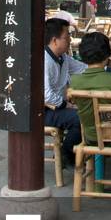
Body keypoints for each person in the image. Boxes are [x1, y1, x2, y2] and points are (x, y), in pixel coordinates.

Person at [44, 19, 87, 166]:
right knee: (80, 117)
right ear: (55, 40)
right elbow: (46, 95)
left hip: (58, 107)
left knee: (86, 113)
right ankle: (66, 152)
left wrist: (110, 70)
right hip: (44, 111)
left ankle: (69, 153)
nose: (70, 39)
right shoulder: (45, 60)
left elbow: (83, 68)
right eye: (67, 36)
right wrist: (65, 104)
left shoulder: (63, 57)